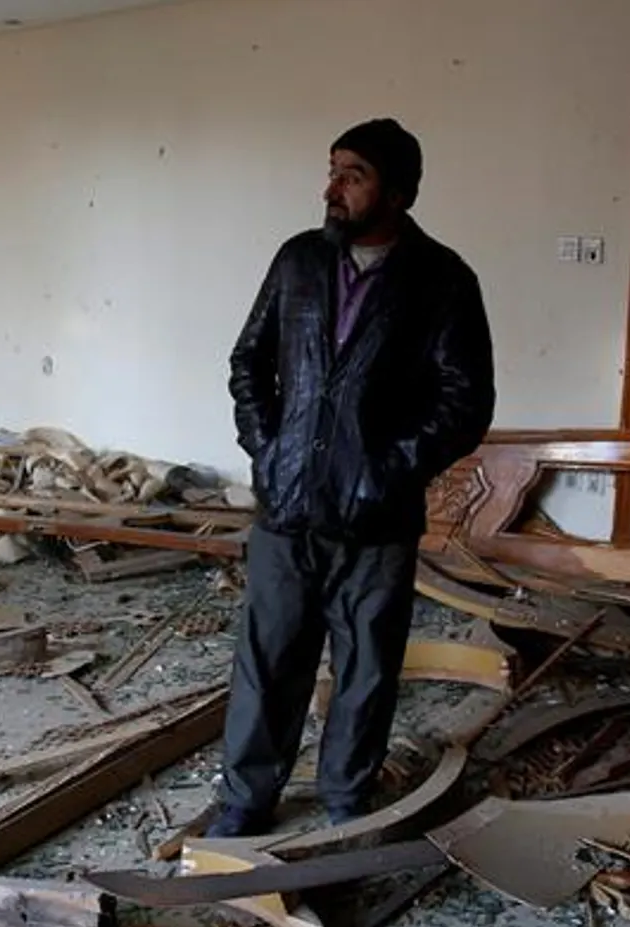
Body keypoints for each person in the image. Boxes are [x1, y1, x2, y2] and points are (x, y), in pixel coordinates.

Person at [211, 118, 496, 837]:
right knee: (269, 661)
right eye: (332, 169)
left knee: (366, 667)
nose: (332, 188)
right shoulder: (299, 261)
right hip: (287, 505)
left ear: (397, 192)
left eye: (354, 175)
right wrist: (266, 447)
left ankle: (344, 800)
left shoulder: (442, 279)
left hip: (378, 518)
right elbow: (250, 363)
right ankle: (247, 802)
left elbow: (465, 401)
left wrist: (388, 470)